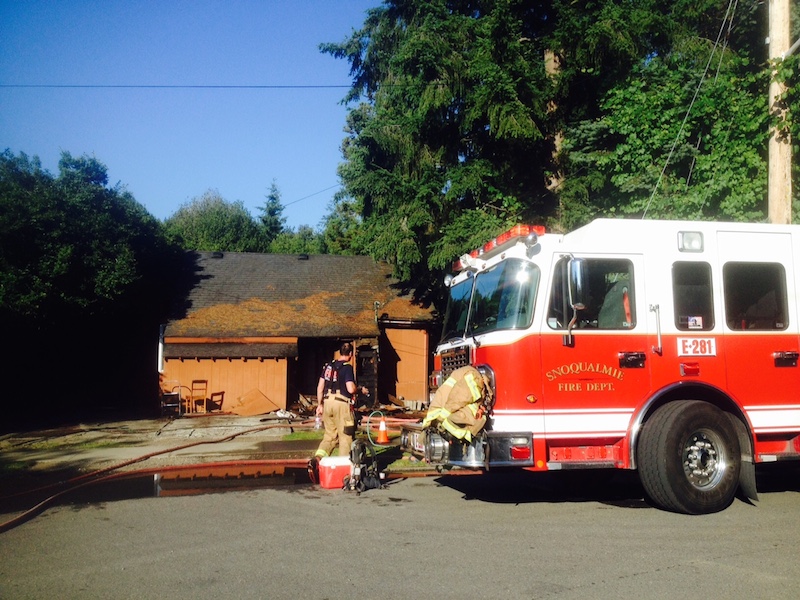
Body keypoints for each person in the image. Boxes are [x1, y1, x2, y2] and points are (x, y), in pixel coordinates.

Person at [310, 342, 367, 470]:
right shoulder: (347, 368)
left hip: (327, 403)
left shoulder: (328, 366)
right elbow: (350, 388)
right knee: (345, 437)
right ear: (351, 354)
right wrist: (360, 390)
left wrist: (320, 405)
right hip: (341, 404)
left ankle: (317, 459)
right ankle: (343, 470)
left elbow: (320, 387)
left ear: (340, 352)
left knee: (329, 436)